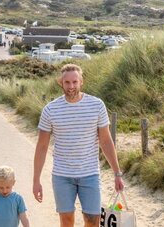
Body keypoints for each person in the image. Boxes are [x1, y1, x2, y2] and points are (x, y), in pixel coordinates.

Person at [33, 64, 124, 227]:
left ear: (81, 81)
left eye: (75, 82)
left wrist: (117, 173)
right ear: (61, 83)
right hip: (62, 175)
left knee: (93, 220)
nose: (71, 86)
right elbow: (41, 147)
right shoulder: (50, 110)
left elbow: (106, 141)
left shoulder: (97, 105)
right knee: (66, 221)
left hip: (90, 174)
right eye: (67, 82)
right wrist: (36, 180)